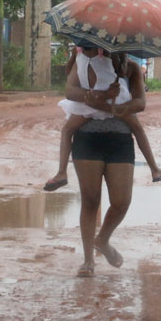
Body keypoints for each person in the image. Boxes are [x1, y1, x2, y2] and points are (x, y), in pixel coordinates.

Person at [63, 47, 146, 277]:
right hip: (86, 138)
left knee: (121, 201)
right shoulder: (84, 60)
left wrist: (118, 108)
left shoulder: (131, 68)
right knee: (90, 200)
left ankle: (103, 240)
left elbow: (141, 102)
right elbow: (70, 90)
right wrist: (94, 97)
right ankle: (88, 260)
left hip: (120, 139)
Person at [43, 45, 161, 192]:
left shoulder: (83, 50)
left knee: (67, 130)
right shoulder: (118, 50)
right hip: (117, 99)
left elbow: (70, 75)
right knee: (137, 128)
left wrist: (76, 58)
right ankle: (155, 169)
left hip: (92, 101)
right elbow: (123, 72)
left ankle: (61, 172)